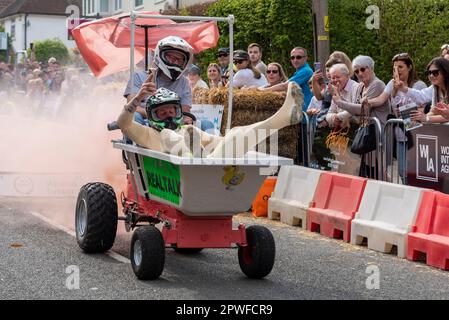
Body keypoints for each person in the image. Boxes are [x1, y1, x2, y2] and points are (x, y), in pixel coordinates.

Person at [117, 75, 304, 158]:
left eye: (171, 111)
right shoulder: (147, 134)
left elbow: (218, 142)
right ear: (152, 116)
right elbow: (123, 124)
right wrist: (138, 98)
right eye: (162, 112)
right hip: (181, 170)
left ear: (178, 112)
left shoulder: (188, 130)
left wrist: (230, 143)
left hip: (209, 168)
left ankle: (282, 118)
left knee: (233, 135)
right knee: (169, 135)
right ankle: (197, 158)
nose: (168, 116)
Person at [363, 53, 427, 183]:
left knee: (417, 171)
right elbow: (381, 99)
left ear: (409, 68)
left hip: (416, 134)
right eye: (394, 68)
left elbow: (424, 109)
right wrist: (367, 101)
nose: (397, 71)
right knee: (402, 171)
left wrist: (407, 111)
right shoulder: (392, 84)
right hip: (401, 134)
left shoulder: (419, 85)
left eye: (400, 67)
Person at [330, 55, 389, 178]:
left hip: (377, 134)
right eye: (356, 71)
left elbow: (362, 109)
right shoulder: (361, 86)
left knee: (377, 171)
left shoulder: (377, 84)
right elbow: (356, 108)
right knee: (365, 170)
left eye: (363, 69)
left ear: (371, 68)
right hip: (365, 132)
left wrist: (340, 103)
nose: (360, 73)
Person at [123, 36, 193, 127]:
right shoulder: (139, 77)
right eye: (171, 58)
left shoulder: (183, 82)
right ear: (160, 55)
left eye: (179, 60)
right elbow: (131, 108)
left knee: (205, 123)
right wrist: (156, 116)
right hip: (145, 126)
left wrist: (186, 119)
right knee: (135, 117)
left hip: (173, 126)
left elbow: (185, 111)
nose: (175, 63)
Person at [395, 57, 449, 124]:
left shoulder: (420, 84)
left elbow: (446, 116)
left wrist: (426, 118)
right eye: (429, 73)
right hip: (441, 129)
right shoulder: (435, 88)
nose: (431, 75)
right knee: (411, 126)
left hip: (443, 130)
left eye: (435, 72)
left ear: (445, 72)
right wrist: (420, 119)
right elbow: (422, 96)